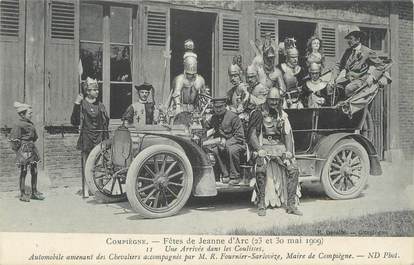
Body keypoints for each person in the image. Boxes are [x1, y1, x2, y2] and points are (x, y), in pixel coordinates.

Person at [248, 87, 302, 216]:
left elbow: (287, 133)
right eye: (271, 100)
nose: (274, 103)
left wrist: (288, 151)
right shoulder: (258, 113)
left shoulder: (282, 115)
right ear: (267, 99)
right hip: (264, 146)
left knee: (293, 168)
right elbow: (252, 135)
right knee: (260, 167)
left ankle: (291, 205)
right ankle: (261, 203)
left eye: (276, 100)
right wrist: (259, 149)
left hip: (279, 147)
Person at [329, 26, 385, 99]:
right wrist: (332, 79)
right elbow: (338, 66)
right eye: (348, 39)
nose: (348, 41)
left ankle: (347, 107)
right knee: (333, 88)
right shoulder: (347, 52)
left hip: (361, 80)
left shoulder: (367, 52)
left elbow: (381, 65)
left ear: (358, 39)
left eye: (350, 38)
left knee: (348, 89)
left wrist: (372, 77)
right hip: (348, 79)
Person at [71, 77, 109, 174]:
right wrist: (76, 103)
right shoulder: (82, 104)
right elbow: (74, 121)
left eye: (97, 90)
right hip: (87, 139)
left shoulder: (100, 105)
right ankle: (87, 188)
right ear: (87, 91)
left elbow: (105, 124)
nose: (97, 92)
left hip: (99, 139)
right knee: (87, 165)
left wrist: (106, 140)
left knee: (99, 165)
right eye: (94, 90)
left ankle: (97, 188)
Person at [9, 102, 45, 202]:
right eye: (29, 113)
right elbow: (13, 140)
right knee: (24, 171)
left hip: (32, 149)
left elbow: (35, 137)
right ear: (22, 114)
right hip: (23, 150)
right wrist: (19, 152)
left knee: (35, 171)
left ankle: (34, 192)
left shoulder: (30, 123)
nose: (31, 115)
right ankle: (23, 194)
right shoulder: (18, 124)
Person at [205, 98, 245, 185]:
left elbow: (240, 136)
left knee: (231, 150)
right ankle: (225, 175)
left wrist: (226, 143)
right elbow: (205, 127)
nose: (218, 109)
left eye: (221, 107)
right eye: (216, 107)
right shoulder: (214, 117)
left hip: (237, 143)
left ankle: (235, 176)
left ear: (225, 106)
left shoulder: (233, 117)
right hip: (222, 144)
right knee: (215, 150)